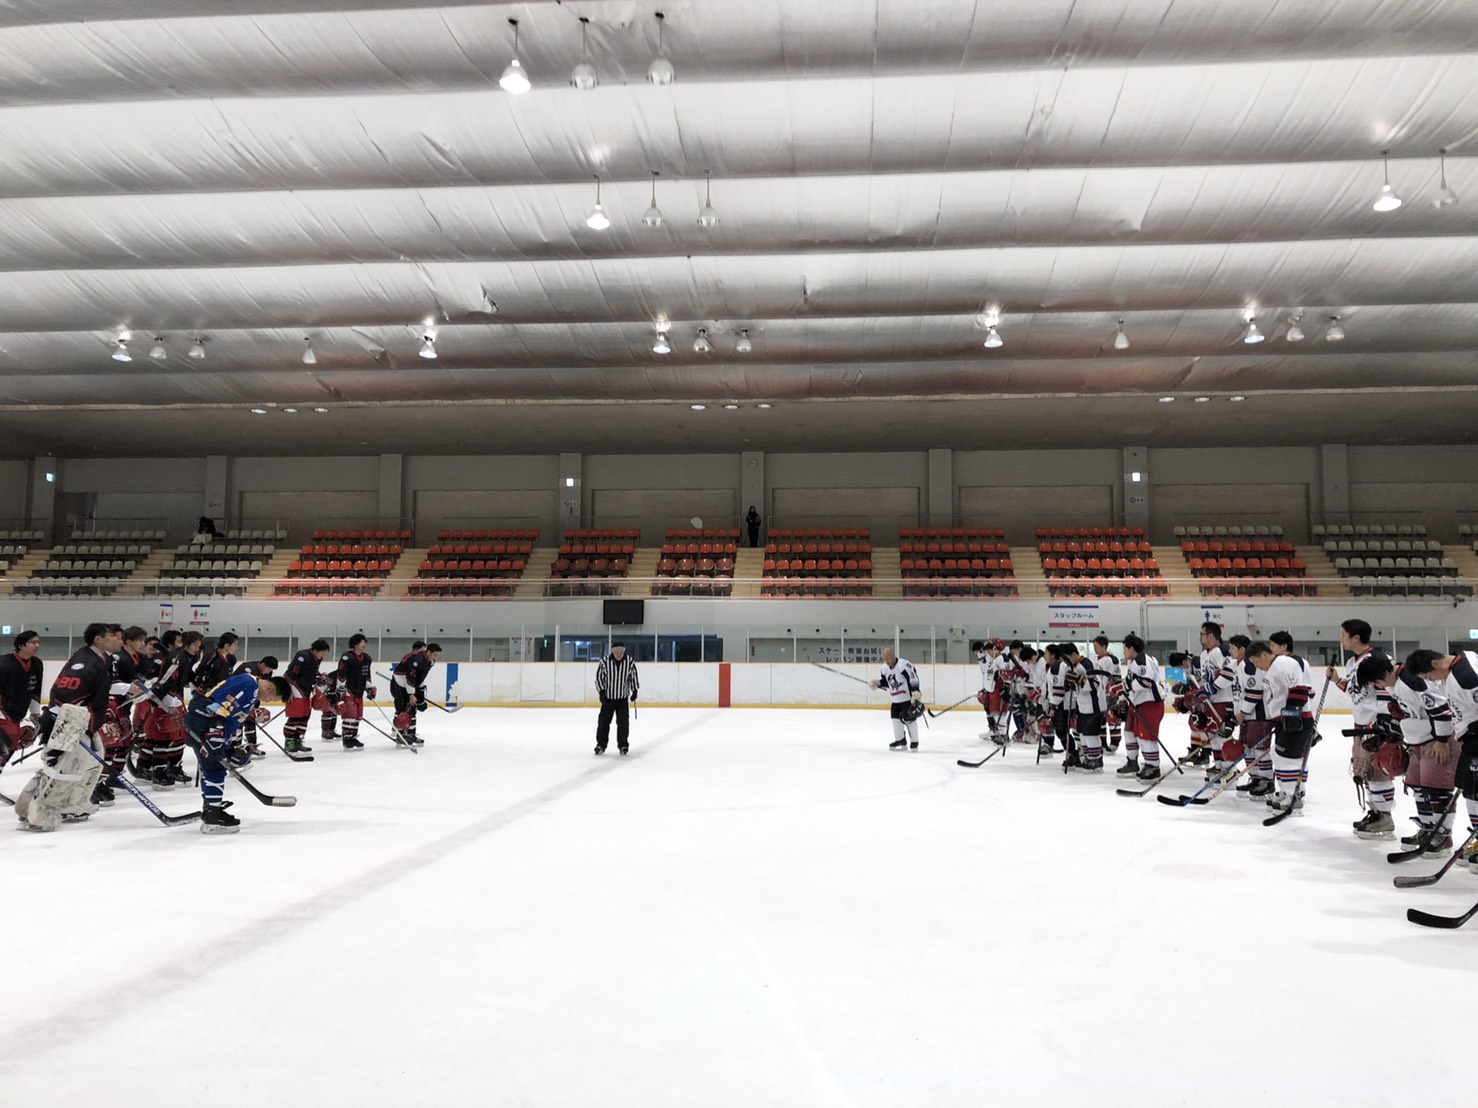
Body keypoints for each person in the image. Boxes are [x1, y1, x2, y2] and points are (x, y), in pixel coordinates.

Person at [14, 623, 120, 831]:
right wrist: (72, 723)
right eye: (111, 636)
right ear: (98, 639)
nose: (117, 639)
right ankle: (40, 812)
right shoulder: (85, 662)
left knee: (93, 762)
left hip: (81, 722)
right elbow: (63, 694)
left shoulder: (100, 659)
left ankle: (73, 804)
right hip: (67, 722)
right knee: (63, 768)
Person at [1359, 651, 1457, 856]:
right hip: (1418, 742)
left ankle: (1442, 836)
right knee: (1419, 787)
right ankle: (1428, 829)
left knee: (1437, 790)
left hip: (1436, 741)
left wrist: (1441, 741)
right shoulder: (1398, 683)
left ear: (1384, 674)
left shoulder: (1410, 681)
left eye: (1376, 681)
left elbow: (1441, 709)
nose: (1378, 686)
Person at [185, 669, 292, 834]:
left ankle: (211, 809)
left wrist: (253, 715)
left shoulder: (252, 690)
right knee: (214, 767)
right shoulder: (248, 684)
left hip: (207, 726)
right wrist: (215, 737)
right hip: (204, 725)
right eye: (273, 698)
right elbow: (220, 708)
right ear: (271, 689)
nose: (269, 700)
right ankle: (212, 815)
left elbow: (233, 711)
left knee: (214, 767)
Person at [1405, 648, 1478, 870]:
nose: (1431, 682)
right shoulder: (1464, 660)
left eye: (1429, 677)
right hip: (1471, 738)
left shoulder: (1464, 677)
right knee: (1471, 791)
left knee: (1475, 792)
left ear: (1436, 664)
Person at [1327, 619, 1396, 840]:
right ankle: (1375, 811)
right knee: (1364, 770)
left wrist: (1382, 725)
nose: (1341, 638)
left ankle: (1384, 816)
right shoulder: (1352, 662)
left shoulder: (1377, 660)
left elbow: (1387, 693)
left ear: (1356, 637)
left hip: (1376, 725)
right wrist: (1337, 680)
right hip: (1361, 724)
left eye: (1344, 634)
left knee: (1379, 771)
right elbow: (1355, 691)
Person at [1246, 640, 1316, 814]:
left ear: (1263, 654)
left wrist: (1292, 714)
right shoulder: (1272, 668)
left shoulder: (1283, 663)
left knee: (1287, 758)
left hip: (1296, 721)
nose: (1257, 667)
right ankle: (1292, 792)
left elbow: (1299, 689)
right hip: (1286, 720)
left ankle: (1293, 796)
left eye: (1256, 662)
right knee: (1280, 755)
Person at [135, 630, 204, 788]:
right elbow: (166, 681)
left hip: (173, 699)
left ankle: (147, 768)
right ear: (187, 643)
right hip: (166, 700)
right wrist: (170, 703)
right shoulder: (177, 657)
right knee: (164, 736)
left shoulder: (185, 657)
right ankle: (159, 773)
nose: (197, 648)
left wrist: (199, 684)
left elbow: (185, 676)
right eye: (195, 645)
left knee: (171, 735)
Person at [1119, 634, 1167, 780]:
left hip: (1150, 704)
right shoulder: (1136, 661)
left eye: (1124, 648)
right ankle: (1136, 763)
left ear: (1131, 648)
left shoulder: (1142, 660)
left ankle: (1153, 766)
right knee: (1132, 734)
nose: (1124, 652)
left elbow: (1146, 681)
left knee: (1147, 737)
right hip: (1139, 704)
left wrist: (1126, 686)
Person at [1062, 644, 1113, 773]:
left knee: (1091, 734)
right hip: (1083, 706)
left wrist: (1078, 680)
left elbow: (1095, 684)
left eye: (1067, 659)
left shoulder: (1086, 664)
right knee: (1083, 734)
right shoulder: (1075, 666)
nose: (1066, 662)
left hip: (1094, 705)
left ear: (1073, 654)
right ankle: (1088, 757)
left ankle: (1096, 760)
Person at [0, 630, 45, 764]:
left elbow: (36, 690)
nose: (37, 645)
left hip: (18, 713)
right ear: (21, 646)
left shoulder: (37, 664)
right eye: (33, 642)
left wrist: (35, 712)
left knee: (9, 747)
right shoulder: (5, 663)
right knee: (6, 744)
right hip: (3, 712)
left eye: (38, 642)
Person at [282, 638, 331, 755]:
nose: (322, 655)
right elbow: (290, 674)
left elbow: (313, 674)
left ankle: (298, 739)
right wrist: (288, 690)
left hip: (307, 690)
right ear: (315, 650)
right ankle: (289, 741)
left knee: (305, 717)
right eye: (322, 652)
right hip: (296, 689)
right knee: (295, 716)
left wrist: (320, 679)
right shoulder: (302, 656)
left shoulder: (317, 659)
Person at [391, 641, 441, 747]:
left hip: (411, 684)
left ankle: (410, 734)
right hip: (400, 684)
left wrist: (420, 691)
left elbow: (420, 677)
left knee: (413, 709)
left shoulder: (430, 661)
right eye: (435, 654)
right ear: (428, 652)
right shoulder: (417, 661)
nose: (436, 657)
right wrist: (411, 694)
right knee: (403, 709)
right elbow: (410, 678)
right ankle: (400, 736)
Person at [872, 647, 922, 750]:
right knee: (895, 719)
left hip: (907, 699)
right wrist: (878, 683)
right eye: (884, 659)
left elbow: (913, 678)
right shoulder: (884, 668)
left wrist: (916, 691)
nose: (886, 662)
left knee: (909, 719)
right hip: (895, 700)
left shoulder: (903, 665)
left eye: (888, 659)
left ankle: (914, 742)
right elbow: (887, 683)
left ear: (893, 656)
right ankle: (900, 740)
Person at [593, 642, 639, 754]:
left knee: (623, 723)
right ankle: (601, 744)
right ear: (612, 652)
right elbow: (599, 678)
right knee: (603, 723)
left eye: (621, 652)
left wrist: (634, 690)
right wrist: (601, 692)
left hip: (622, 699)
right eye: (617, 652)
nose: (619, 654)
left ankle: (623, 745)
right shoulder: (604, 662)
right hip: (608, 699)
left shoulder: (629, 662)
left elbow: (633, 676)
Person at [332, 634, 375, 752]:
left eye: (365, 642)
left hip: (359, 690)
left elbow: (367, 674)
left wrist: (370, 687)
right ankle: (347, 737)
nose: (364, 644)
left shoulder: (367, 658)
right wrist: (340, 688)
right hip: (348, 689)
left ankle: (353, 736)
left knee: (357, 716)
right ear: (355, 644)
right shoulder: (347, 657)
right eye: (362, 642)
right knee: (350, 715)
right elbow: (341, 674)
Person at [231, 656, 279, 758]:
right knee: (237, 724)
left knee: (250, 721)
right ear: (262, 664)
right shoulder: (247, 668)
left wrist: (256, 706)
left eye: (270, 671)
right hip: (238, 701)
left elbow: (263, 689)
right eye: (268, 669)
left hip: (252, 700)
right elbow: (234, 684)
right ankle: (236, 749)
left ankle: (252, 746)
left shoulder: (268, 673)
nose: (268, 672)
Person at [192, 632, 239, 696]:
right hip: (209, 693)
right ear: (226, 645)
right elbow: (200, 672)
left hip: (223, 692)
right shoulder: (211, 657)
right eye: (235, 645)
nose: (236, 648)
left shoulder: (232, 658)